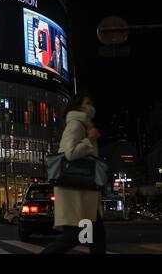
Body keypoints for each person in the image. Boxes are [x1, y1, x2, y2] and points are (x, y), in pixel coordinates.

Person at [40, 94, 106, 254]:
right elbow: (69, 154)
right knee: (76, 236)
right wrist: (89, 140)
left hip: (82, 191)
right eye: (87, 103)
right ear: (78, 107)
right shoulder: (76, 125)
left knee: (96, 238)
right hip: (74, 192)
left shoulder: (85, 125)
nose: (91, 106)